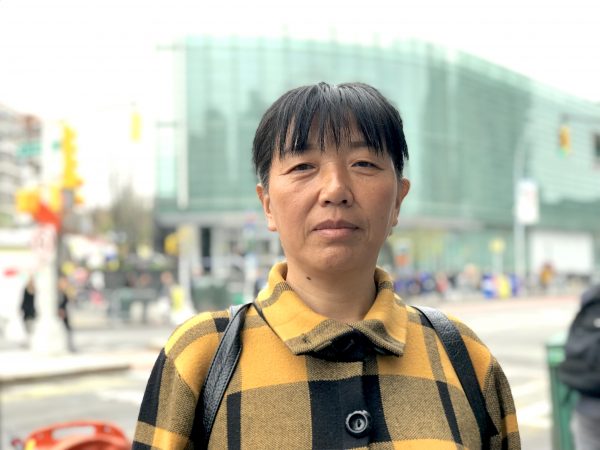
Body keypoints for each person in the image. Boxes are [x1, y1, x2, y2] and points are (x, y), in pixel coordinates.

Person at [133, 82, 520, 449]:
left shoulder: (465, 357)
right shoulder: (199, 356)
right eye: (303, 166)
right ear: (267, 204)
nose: (335, 189)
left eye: (364, 163)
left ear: (398, 201)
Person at [58, 275, 76, 352]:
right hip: (60, 315)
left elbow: (71, 300)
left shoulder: (64, 292)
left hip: (65, 314)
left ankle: (68, 346)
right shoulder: (58, 293)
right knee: (63, 330)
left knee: (67, 330)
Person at [20, 276, 36, 346]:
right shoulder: (26, 290)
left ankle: (30, 341)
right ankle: (29, 340)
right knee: (27, 326)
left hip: (31, 312)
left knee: (31, 326)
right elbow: (24, 300)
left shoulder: (34, 290)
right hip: (27, 311)